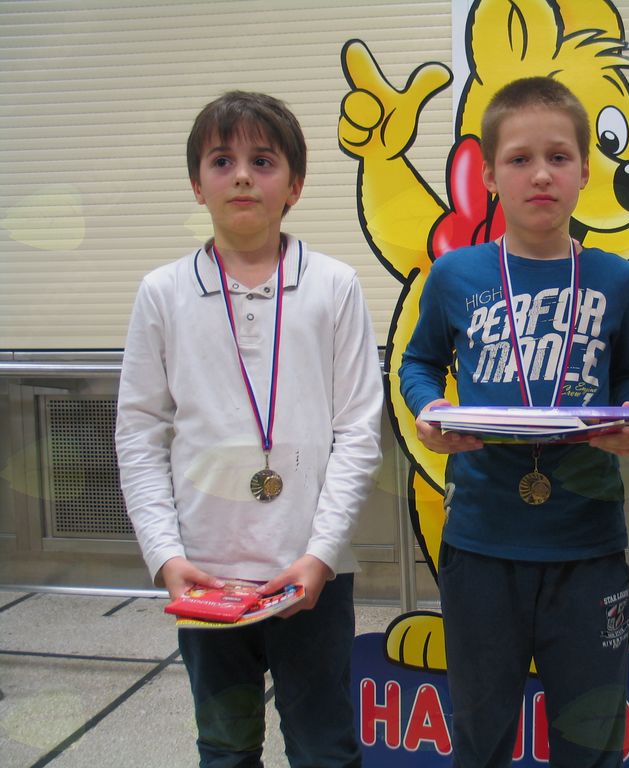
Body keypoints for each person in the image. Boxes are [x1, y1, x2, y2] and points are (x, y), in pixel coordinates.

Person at [115, 90, 383, 767]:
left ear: (294, 184)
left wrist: (321, 555)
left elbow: (358, 429)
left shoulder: (334, 285)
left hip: (312, 573)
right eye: (221, 161)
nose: (241, 176)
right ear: (196, 184)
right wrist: (165, 557)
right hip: (204, 574)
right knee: (226, 747)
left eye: (262, 161)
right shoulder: (163, 293)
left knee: (325, 748)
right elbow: (140, 433)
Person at [399, 76, 629, 767]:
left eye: (558, 157)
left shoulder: (616, 279)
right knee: (481, 735)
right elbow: (419, 363)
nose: (540, 174)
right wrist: (429, 407)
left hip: (587, 542)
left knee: (590, 738)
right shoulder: (455, 275)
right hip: (482, 541)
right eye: (519, 159)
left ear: (584, 171)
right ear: (489, 175)